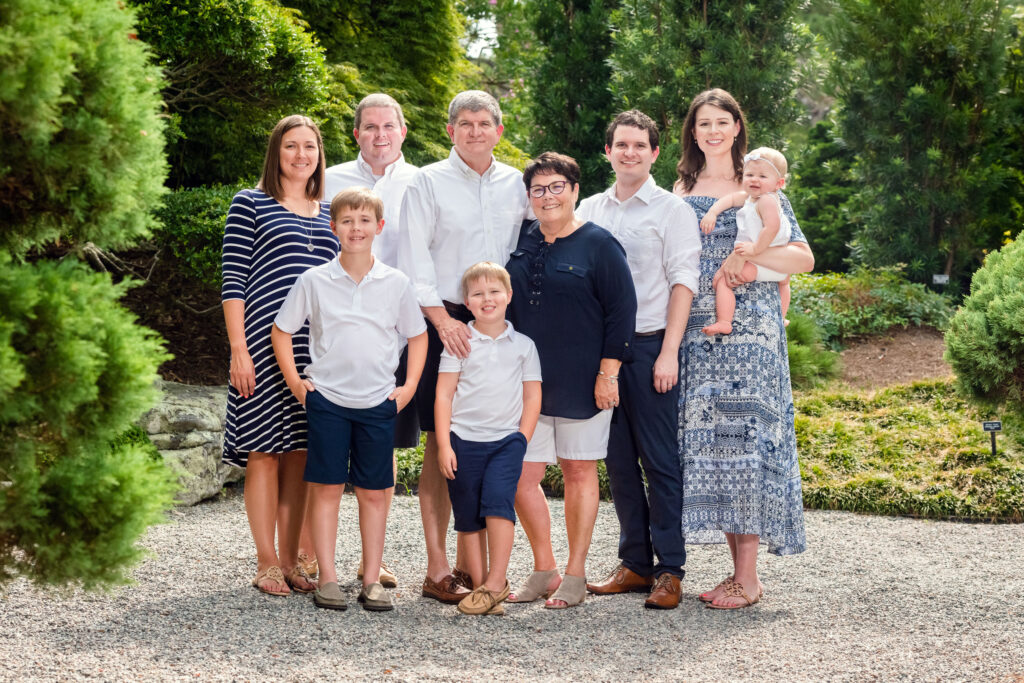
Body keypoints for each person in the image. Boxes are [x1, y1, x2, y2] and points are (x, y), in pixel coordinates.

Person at [674, 88, 814, 609]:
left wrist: (749, 264)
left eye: (721, 121)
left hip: (748, 331)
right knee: (714, 447)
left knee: (746, 442)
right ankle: (736, 574)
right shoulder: (682, 186)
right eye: (702, 122)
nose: (712, 130)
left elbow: (803, 257)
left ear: (737, 127)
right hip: (696, 329)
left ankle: (749, 579)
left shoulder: (759, 181)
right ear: (693, 131)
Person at [398, 90, 531, 604]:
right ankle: (437, 569)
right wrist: (440, 320)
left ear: (499, 130)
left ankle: (473, 564)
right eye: (466, 123)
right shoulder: (427, 182)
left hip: (499, 320)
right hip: (446, 319)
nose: (476, 131)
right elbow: (414, 257)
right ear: (450, 130)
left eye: (485, 123)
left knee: (488, 434)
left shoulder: (516, 185)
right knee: (441, 442)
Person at [271, 187, 428, 611]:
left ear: (379, 227)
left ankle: (372, 580)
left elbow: (417, 335)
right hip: (328, 402)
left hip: (378, 403)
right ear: (332, 226)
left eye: (364, 221)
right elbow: (282, 331)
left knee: (375, 492)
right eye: (346, 220)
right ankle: (328, 578)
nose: (355, 228)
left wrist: (409, 385)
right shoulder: (314, 280)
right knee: (325, 489)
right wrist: (296, 383)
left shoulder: (395, 283)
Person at [576, 111, 700, 610]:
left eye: (639, 145)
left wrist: (669, 351)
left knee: (661, 462)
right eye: (621, 144)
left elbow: (683, 281)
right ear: (607, 151)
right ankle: (633, 563)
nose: (629, 152)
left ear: (654, 153)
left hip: (650, 347)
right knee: (619, 463)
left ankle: (670, 569)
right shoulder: (587, 209)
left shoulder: (672, 211)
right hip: (601, 354)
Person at [505, 152, 637, 609]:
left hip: (585, 379)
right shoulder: (522, 241)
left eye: (556, 186)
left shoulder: (601, 244)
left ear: (576, 190)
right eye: (538, 189)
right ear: (529, 198)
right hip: (527, 383)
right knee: (521, 475)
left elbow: (622, 314)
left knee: (579, 469)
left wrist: (608, 374)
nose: (547, 196)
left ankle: (576, 574)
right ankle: (545, 568)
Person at [221, 114, 336, 597]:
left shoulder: (330, 211)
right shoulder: (251, 203)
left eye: (309, 147)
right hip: (262, 350)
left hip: (317, 354)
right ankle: (267, 561)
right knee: (264, 453)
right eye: (291, 146)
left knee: (304, 455)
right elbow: (233, 282)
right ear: (276, 152)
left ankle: (295, 557)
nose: (301, 155)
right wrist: (238, 350)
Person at [319, 93, 420, 588]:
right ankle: (315, 559)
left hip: (398, 333)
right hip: (334, 327)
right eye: (370, 127)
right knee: (323, 457)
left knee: (384, 452)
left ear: (403, 131)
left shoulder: (422, 181)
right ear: (356, 133)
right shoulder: (329, 179)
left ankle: (371, 560)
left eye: (388, 126)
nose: (380, 135)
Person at [435, 262, 542, 616]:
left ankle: (497, 581)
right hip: (463, 441)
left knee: (498, 504)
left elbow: (532, 396)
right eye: (478, 294)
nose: (487, 299)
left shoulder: (524, 346)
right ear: (466, 302)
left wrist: (521, 439)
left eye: (494, 291)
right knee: (468, 517)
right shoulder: (458, 344)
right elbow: (444, 396)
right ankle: (482, 589)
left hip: (505, 443)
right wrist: (445, 445)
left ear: (509, 296)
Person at [698, 146, 792, 336]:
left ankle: (724, 321)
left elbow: (771, 227)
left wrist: (754, 250)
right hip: (780, 266)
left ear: (779, 183)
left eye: (762, 176)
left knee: (723, 281)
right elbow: (731, 199)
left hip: (759, 259)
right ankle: (782, 316)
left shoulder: (767, 200)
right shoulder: (752, 199)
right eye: (749, 174)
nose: (754, 179)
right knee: (784, 283)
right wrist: (713, 212)